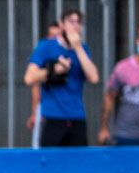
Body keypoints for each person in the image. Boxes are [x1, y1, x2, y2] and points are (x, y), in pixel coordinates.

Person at [24, 10, 99, 148]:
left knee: (79, 161)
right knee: (51, 161)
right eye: (71, 21)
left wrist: (77, 48)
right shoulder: (46, 46)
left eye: (78, 22)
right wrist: (53, 70)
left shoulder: (83, 49)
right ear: (61, 24)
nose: (75, 26)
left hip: (77, 116)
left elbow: (94, 78)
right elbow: (29, 78)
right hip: (53, 116)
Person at [100, 23, 139, 146]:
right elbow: (109, 97)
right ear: (137, 40)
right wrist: (103, 128)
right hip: (126, 135)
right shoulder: (123, 67)